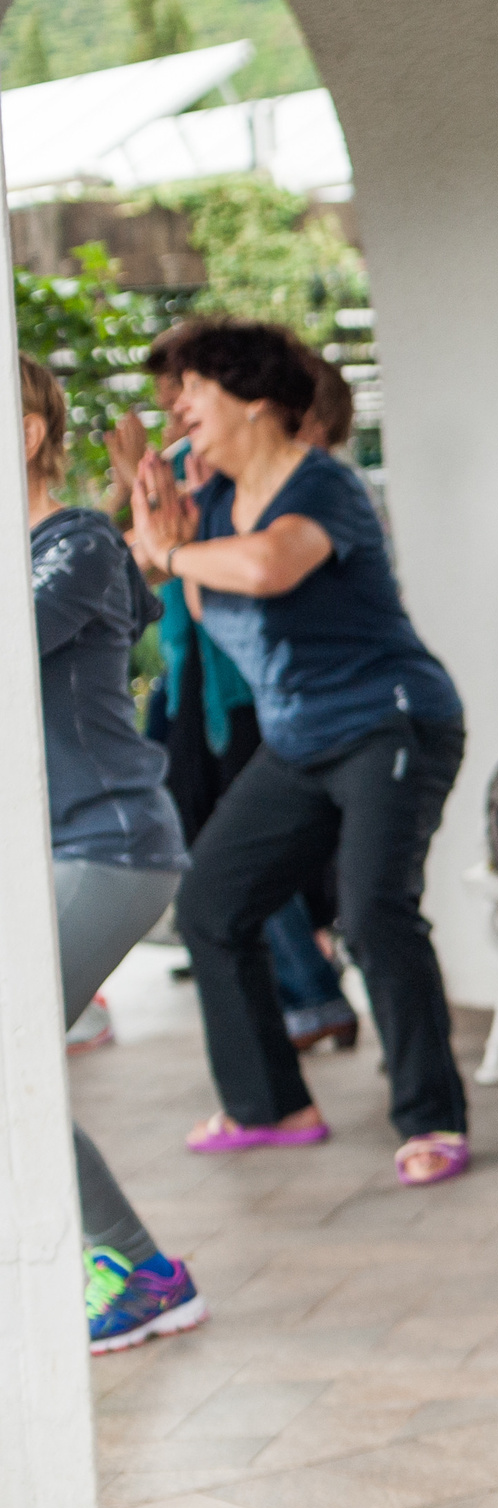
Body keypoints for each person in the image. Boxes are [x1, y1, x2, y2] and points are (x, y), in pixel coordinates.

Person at [123, 322, 473, 1187]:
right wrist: (174, 545)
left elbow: (275, 567)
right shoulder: (209, 508)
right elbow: (215, 612)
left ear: (253, 397)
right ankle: (270, 1104)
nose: (178, 409)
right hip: (300, 739)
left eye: (192, 390)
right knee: (210, 902)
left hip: (390, 722)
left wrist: (171, 552)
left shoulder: (326, 487)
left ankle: (433, 1117)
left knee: (372, 909)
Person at [22, 352, 206, 1352]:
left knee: (15, 1069)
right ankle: (119, 1260)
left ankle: (139, 1267)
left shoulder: (78, 541)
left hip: (114, 841)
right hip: (56, 848)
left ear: (35, 429)